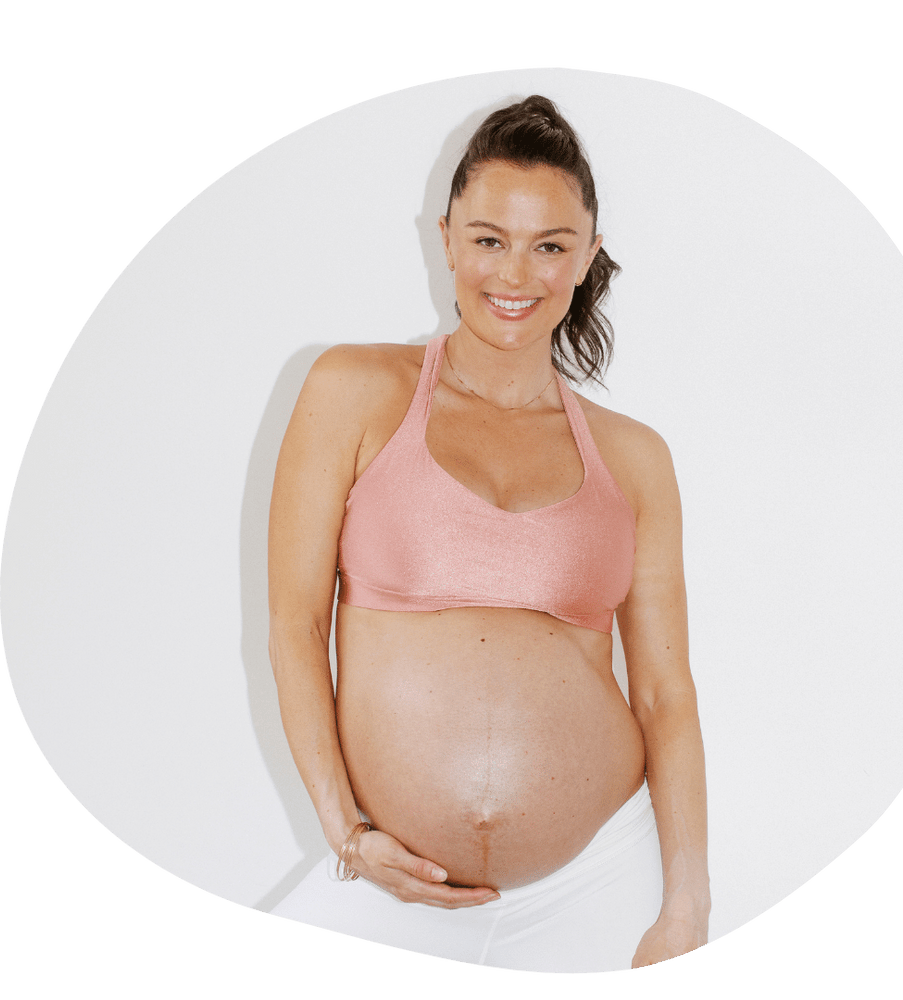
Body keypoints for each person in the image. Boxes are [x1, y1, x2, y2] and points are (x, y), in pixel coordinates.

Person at [267, 96, 710, 974]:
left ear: (587, 256)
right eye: (488, 239)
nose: (516, 273)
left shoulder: (636, 458)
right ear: (445, 240)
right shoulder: (353, 391)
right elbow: (295, 625)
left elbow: (666, 694)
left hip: (601, 881)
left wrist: (688, 902)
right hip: (391, 880)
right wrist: (347, 834)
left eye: (550, 245)